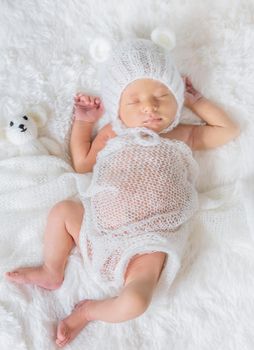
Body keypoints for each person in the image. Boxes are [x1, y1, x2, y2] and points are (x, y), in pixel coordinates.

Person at [5, 38, 240, 348]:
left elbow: (228, 130)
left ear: (178, 100)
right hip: (99, 232)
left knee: (135, 303)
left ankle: (88, 312)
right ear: (117, 108)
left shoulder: (182, 134)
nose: (150, 106)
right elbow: (82, 163)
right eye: (135, 101)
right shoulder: (113, 133)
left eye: (162, 95)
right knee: (63, 211)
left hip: (150, 242)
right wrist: (84, 123)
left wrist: (197, 101)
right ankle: (52, 269)